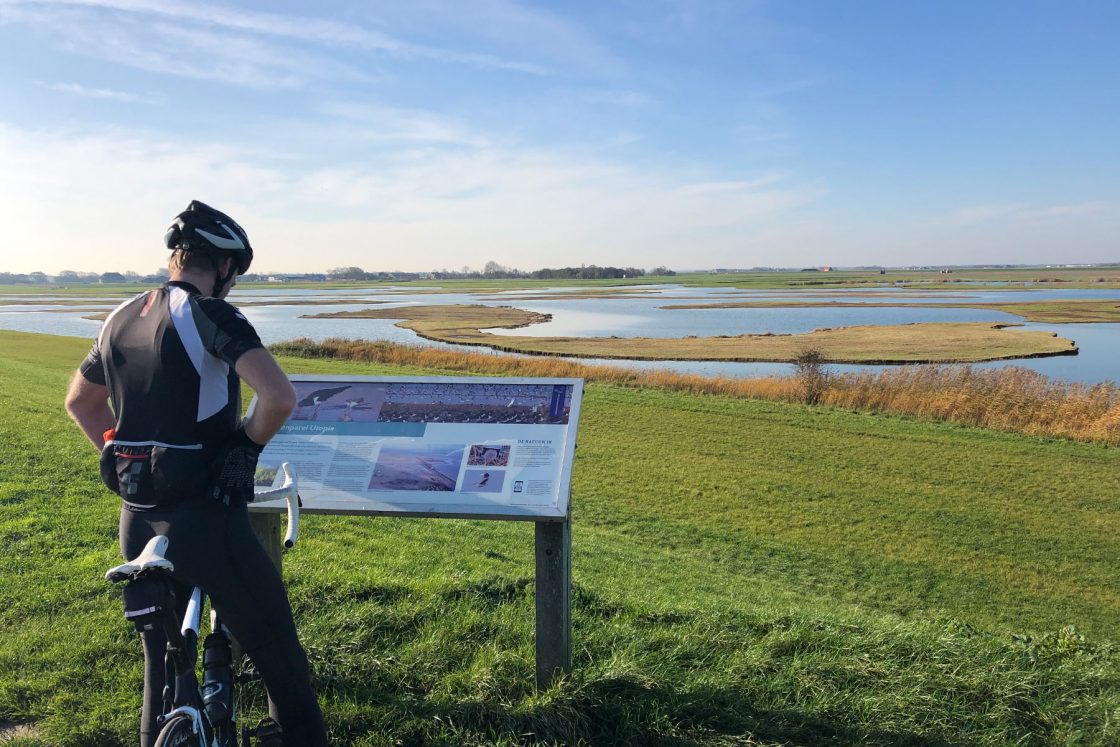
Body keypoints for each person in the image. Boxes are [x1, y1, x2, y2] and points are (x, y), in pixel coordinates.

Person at [64, 201, 328, 747]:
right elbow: (278, 397)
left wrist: (118, 455)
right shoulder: (210, 313)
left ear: (176, 258)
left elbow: (80, 404)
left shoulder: (120, 315)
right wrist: (244, 448)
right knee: (282, 662)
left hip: (137, 519)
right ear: (226, 268)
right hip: (205, 516)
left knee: (161, 670)